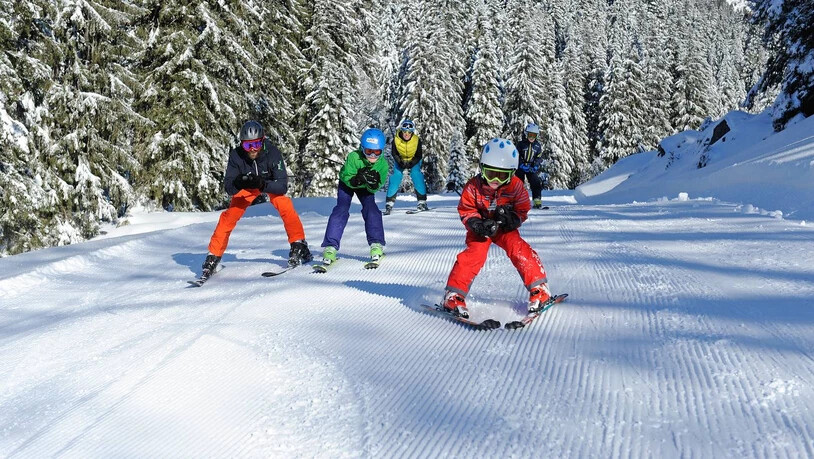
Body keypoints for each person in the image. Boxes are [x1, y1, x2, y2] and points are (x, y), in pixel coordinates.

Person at [442, 137, 551, 319]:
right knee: (473, 255)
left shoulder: (516, 187)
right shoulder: (473, 187)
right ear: (482, 168)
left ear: (511, 174)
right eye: (490, 173)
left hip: (503, 228)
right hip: (481, 230)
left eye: (501, 176)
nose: (494, 180)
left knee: (519, 249)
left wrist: (512, 219)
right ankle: (454, 295)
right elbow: (466, 210)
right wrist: (477, 224)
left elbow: (523, 208)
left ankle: (539, 288)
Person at [201, 120, 312, 278]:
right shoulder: (236, 156)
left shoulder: (272, 152)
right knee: (228, 216)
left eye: (256, 145)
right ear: (242, 145)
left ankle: (298, 244)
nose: (252, 150)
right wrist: (239, 182)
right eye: (247, 146)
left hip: (267, 184)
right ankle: (213, 256)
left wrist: (262, 184)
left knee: (284, 205)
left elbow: (281, 186)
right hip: (247, 187)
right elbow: (228, 187)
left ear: (263, 141)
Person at [319, 128, 389, 265]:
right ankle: (330, 246)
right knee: (341, 209)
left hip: (365, 189)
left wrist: (372, 183)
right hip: (347, 185)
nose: (373, 155)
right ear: (362, 148)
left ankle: (376, 244)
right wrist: (357, 179)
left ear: (382, 151)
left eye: (377, 152)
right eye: (369, 151)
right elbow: (345, 176)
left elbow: (378, 185)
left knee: (372, 209)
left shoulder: (383, 165)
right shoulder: (354, 157)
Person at [384, 119, 428, 214]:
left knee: (416, 174)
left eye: (409, 132)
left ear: (412, 132)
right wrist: (400, 162)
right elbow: (394, 153)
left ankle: (422, 202)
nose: (406, 134)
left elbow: (419, 155)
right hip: (400, 160)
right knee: (396, 175)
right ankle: (389, 203)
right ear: (402, 131)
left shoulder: (416, 140)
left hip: (414, 160)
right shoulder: (396, 139)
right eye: (404, 131)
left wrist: (411, 163)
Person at [515, 122, 546, 209]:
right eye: (530, 135)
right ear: (526, 134)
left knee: (535, 182)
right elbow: (517, 155)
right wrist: (520, 165)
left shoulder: (537, 146)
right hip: (521, 167)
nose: (531, 137)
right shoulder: (521, 144)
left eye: (534, 135)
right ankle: (517, 201)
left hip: (531, 167)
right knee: (518, 183)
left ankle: (537, 200)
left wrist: (535, 166)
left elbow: (539, 157)